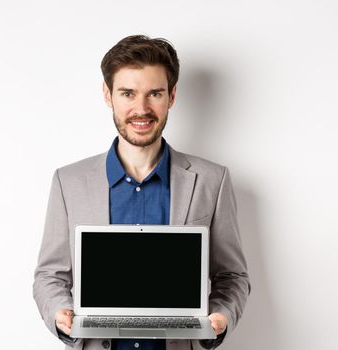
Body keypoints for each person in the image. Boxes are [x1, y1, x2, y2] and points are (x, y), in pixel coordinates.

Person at [33, 35, 250, 350]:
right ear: (108, 95)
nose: (141, 109)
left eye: (155, 93)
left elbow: (232, 276)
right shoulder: (69, 181)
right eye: (127, 93)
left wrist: (221, 316)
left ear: (171, 96)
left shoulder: (211, 180)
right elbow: (49, 275)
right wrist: (59, 314)